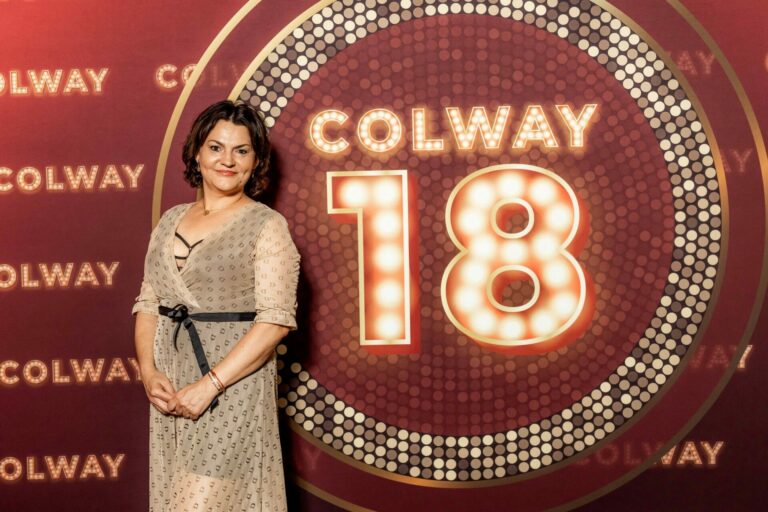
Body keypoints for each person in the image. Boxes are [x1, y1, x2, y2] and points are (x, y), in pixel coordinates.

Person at [132, 100, 299, 511]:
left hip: (231, 388)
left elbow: (275, 321)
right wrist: (149, 371)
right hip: (172, 387)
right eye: (216, 147)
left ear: (255, 161)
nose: (228, 160)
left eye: (241, 150)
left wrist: (211, 385)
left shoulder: (267, 226)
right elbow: (149, 302)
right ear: (196, 153)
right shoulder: (169, 220)